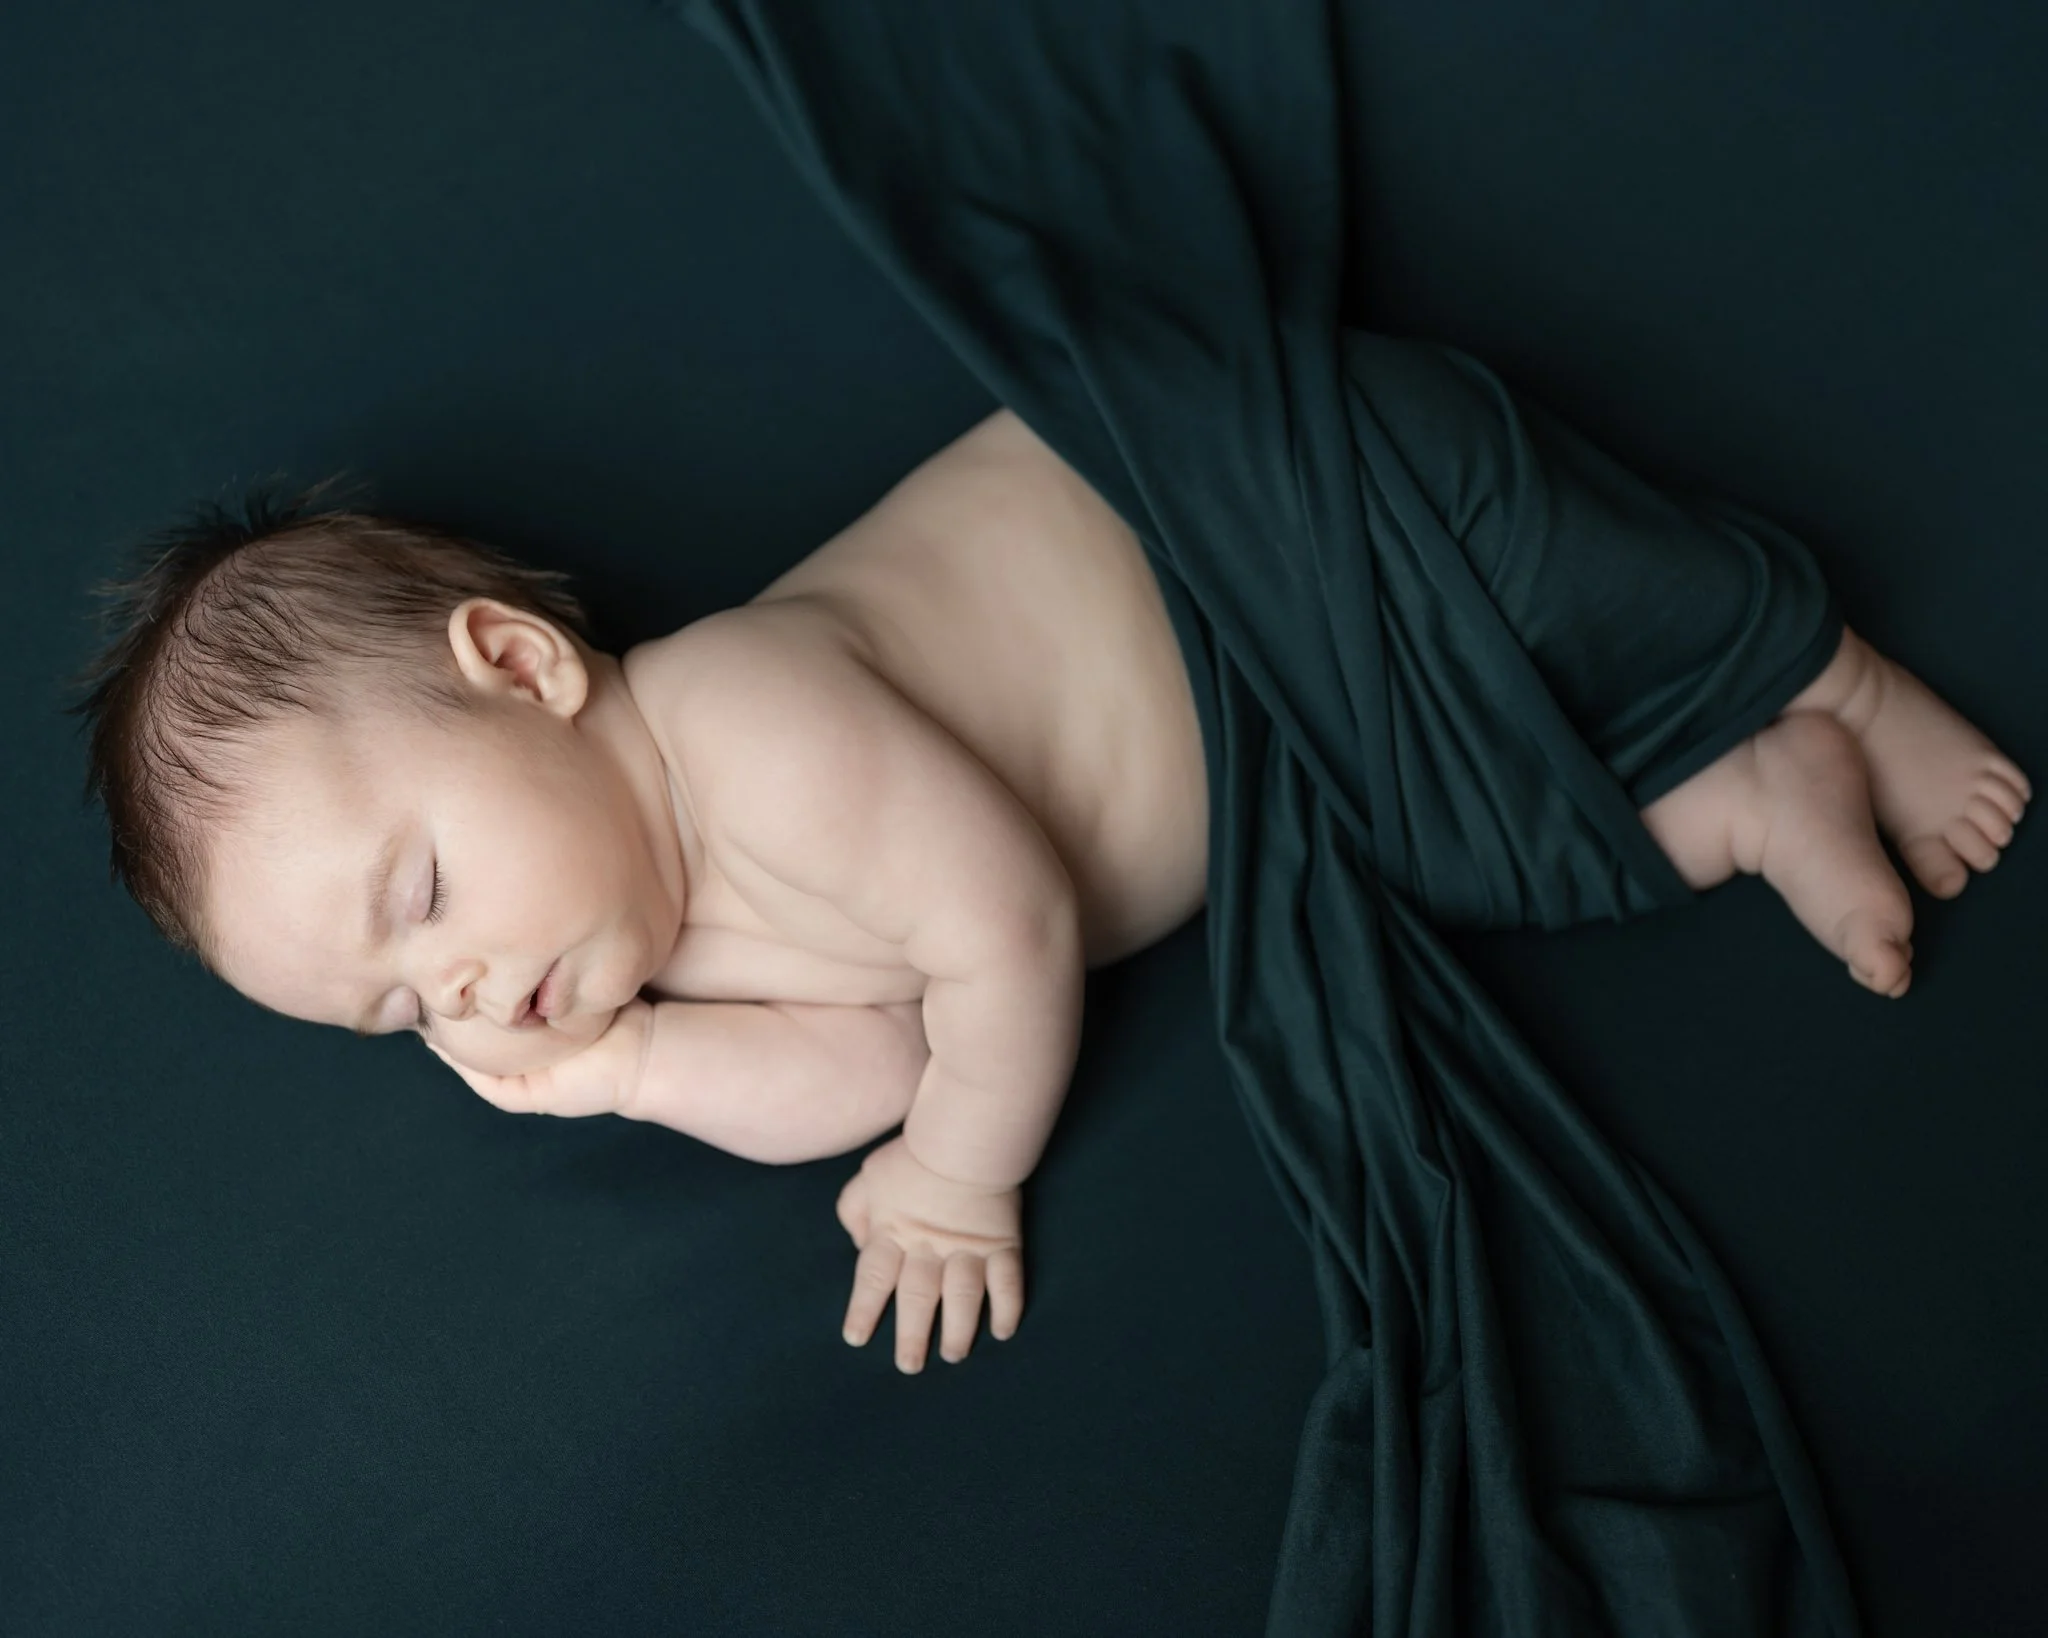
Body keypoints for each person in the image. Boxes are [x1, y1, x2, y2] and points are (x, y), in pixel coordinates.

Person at [67, 396, 2029, 1379]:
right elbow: (872, 1068)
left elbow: (995, 936)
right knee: (1459, 872)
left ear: (522, 669)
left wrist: (961, 1175)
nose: (468, 992)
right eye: (401, 1011)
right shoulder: (652, 935)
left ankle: (1830, 670)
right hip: (1285, 767)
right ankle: (1755, 792)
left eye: (422, 896)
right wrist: (625, 1073)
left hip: (1247, 507)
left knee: (1559, 557)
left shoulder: (737, 714)